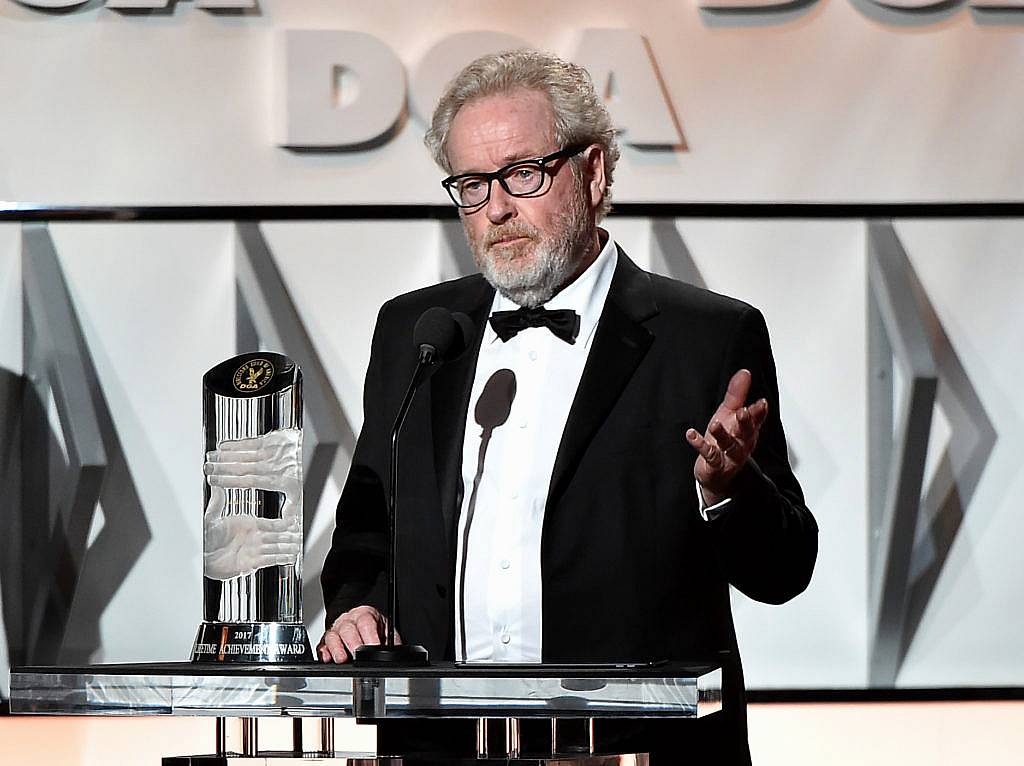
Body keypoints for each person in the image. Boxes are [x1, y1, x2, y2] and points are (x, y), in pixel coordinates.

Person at [318, 49, 817, 764]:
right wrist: (356, 610)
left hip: (636, 751)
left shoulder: (705, 336)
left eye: (523, 173)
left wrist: (725, 492)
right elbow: (368, 531)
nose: (496, 207)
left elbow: (785, 569)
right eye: (471, 183)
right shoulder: (417, 332)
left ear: (593, 171)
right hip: (440, 749)